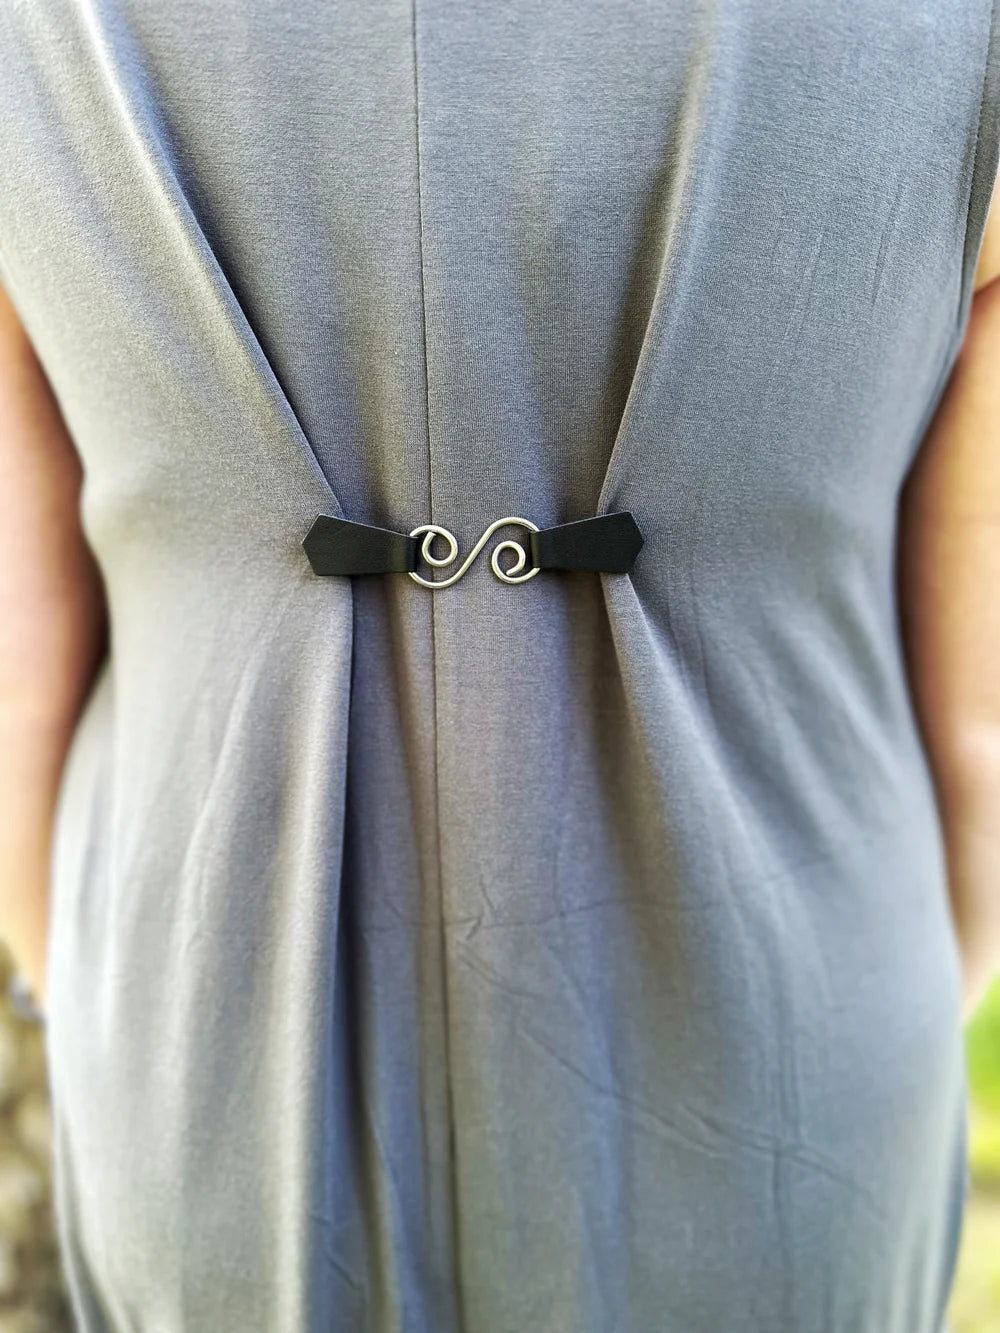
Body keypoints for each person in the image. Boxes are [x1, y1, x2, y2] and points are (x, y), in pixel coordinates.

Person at [0, 3, 998, 1330]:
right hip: (798, 1042)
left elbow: (18, 684)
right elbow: (981, 728)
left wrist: (89, 978)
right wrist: (916, 969)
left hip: (195, 1042)